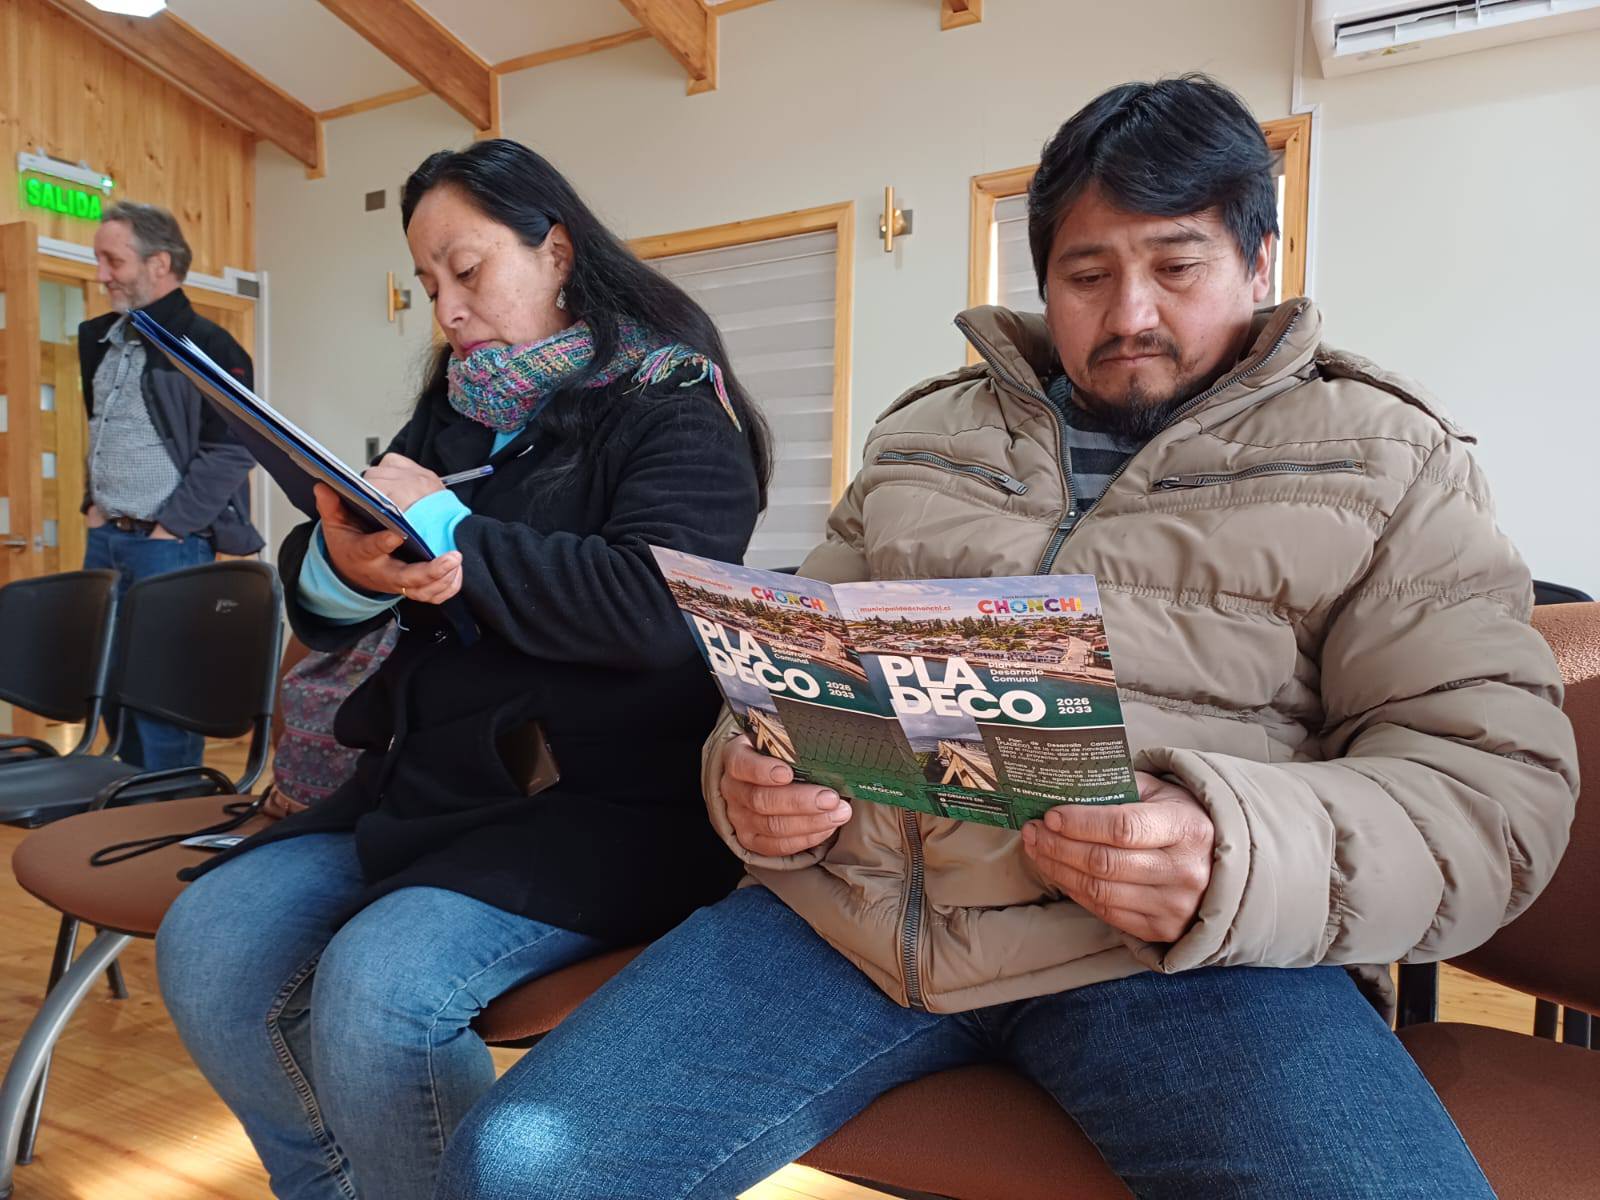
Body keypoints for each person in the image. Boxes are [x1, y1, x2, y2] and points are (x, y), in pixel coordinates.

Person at [436, 77, 1580, 1199]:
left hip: (1186, 957)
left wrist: (1230, 852)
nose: (1128, 315)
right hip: (852, 920)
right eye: (1087, 275)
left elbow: (1490, 792)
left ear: (1260, 260)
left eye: (1176, 266)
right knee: (516, 1166)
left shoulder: (1390, 460)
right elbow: (778, 680)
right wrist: (746, 783)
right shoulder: (922, 435)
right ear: (1042, 280)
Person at [155, 139, 770, 1200]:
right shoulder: (462, 403)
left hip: (603, 805)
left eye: (467, 270)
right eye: (428, 282)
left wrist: (446, 528)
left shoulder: (673, 403)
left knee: (380, 988)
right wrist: (351, 568)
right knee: (208, 942)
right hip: (431, 783)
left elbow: (652, 612)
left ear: (557, 251)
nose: (446, 309)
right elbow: (337, 595)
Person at [81, 201, 262, 769]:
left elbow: (235, 447)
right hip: (106, 539)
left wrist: (171, 527)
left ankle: (171, 805)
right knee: (109, 689)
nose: (102, 274)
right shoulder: (98, 339)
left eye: (113, 261)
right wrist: (92, 506)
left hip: (170, 547)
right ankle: (130, 804)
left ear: (158, 263)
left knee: (163, 698)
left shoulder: (211, 346)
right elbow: (104, 428)